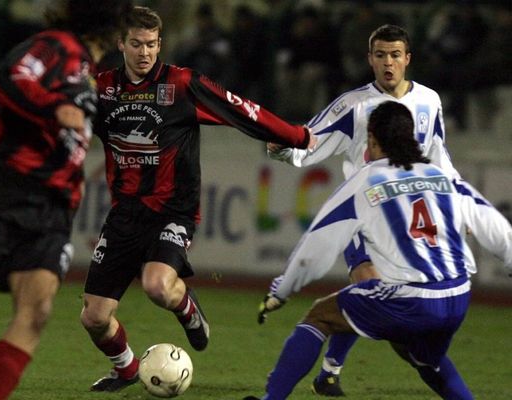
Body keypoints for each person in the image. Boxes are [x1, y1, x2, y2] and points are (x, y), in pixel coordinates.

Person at [80, 6, 313, 393]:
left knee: (157, 286)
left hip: (175, 209)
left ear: (160, 44)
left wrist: (295, 136)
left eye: (152, 45)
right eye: (136, 44)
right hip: (124, 213)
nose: (145, 53)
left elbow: (244, 110)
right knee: (94, 317)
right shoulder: (102, 89)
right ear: (120, 44)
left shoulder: (182, 85)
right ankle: (126, 369)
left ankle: (187, 308)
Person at [0, 1, 132, 399]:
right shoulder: (57, 45)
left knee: (37, 313)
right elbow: (7, 77)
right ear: (112, 27)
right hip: (7, 194)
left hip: (52, 212)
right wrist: (53, 106)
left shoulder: (91, 75)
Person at [245, 100, 512, 400]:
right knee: (423, 358)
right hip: (458, 297)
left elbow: (317, 244)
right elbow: (498, 229)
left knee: (320, 316)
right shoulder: (442, 177)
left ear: (372, 139)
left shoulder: (366, 178)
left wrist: (281, 291)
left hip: (412, 300)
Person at [267, 24, 465, 396]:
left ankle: (328, 371)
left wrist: (455, 203)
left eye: (395, 55)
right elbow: (308, 141)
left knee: (390, 313)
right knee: (372, 287)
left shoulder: (429, 101)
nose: (388, 63)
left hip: (408, 224)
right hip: (365, 217)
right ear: (369, 59)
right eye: (380, 55)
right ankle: (326, 373)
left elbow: (439, 157)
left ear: (407, 59)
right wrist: (281, 148)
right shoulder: (352, 106)